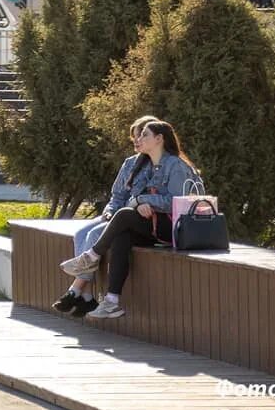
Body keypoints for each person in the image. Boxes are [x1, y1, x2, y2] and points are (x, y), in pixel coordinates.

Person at [59, 120, 203, 320]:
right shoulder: (151, 165)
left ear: (159, 139)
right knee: (122, 236)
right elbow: (135, 196)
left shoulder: (175, 165)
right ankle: (112, 301)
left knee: (125, 214)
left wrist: (140, 200)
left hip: (174, 228)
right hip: (154, 223)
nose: (139, 138)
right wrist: (141, 203)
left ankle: (90, 257)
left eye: (145, 135)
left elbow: (174, 202)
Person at [52, 116, 156, 318]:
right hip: (116, 213)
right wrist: (109, 212)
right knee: (81, 233)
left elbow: (143, 199)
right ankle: (88, 296)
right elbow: (117, 195)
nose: (136, 142)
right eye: (133, 137)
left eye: (140, 137)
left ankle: (75, 290)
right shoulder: (129, 164)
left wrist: (118, 213)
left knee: (93, 236)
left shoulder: (157, 164)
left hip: (130, 219)